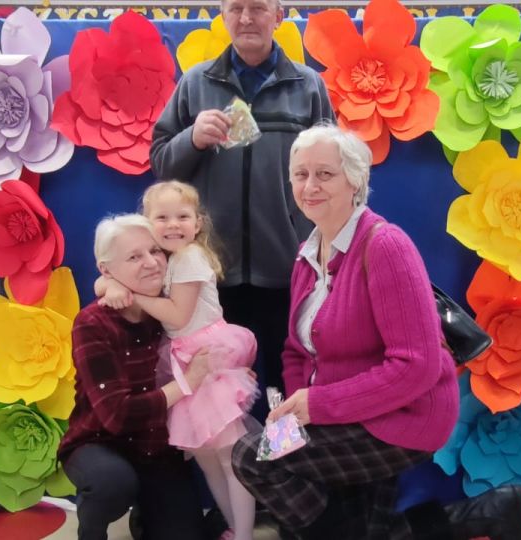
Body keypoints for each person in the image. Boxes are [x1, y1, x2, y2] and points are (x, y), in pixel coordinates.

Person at [231, 125, 521, 540]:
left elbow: (416, 367)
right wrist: (303, 410)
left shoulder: (386, 245)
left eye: (325, 174)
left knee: (252, 456)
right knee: (369, 525)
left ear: (355, 180)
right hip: (343, 412)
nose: (309, 186)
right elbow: (296, 351)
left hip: (405, 415)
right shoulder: (306, 256)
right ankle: (495, 510)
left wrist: (317, 405)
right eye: (300, 174)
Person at [150, 0, 335, 420]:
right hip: (211, 273)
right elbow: (161, 163)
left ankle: (283, 454)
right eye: (236, 8)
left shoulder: (307, 86)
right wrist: (191, 139)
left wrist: (319, 243)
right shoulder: (195, 83)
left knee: (285, 379)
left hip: (286, 268)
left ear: (279, 16)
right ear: (223, 15)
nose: (247, 18)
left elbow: (334, 170)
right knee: (221, 380)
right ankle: (234, 458)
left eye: (258, 8)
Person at [96, 181, 259, 540]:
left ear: (197, 223)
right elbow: (102, 281)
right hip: (183, 361)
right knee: (207, 460)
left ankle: (245, 534)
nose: (173, 225)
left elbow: (179, 315)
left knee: (229, 458)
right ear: (147, 222)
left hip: (207, 357)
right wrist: (110, 285)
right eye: (162, 218)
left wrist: (130, 292)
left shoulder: (190, 257)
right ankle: (235, 527)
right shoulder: (163, 258)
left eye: (182, 217)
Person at [60, 214, 212, 540]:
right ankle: (91, 530)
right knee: (111, 483)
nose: (151, 263)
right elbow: (117, 415)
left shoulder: (173, 310)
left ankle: (146, 516)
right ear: (105, 269)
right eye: (134, 257)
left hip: (156, 446)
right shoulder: (92, 323)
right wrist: (186, 384)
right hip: (99, 441)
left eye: (155, 251)